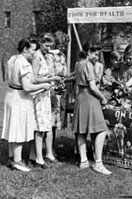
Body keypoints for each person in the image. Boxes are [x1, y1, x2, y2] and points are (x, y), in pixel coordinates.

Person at [1, 38, 51, 171]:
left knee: (12, 127)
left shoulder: (12, 59)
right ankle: (18, 161)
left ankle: (11, 158)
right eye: (33, 50)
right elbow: (27, 87)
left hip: (10, 95)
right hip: (20, 99)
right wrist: (44, 86)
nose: (34, 53)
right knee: (18, 129)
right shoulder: (24, 64)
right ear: (25, 49)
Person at [72, 42, 112, 175]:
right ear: (88, 51)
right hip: (90, 98)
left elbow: (74, 77)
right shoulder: (88, 65)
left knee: (82, 131)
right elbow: (93, 87)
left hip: (80, 98)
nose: (96, 57)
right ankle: (98, 163)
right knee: (101, 129)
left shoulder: (79, 63)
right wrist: (103, 98)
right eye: (95, 54)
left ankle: (83, 161)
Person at [30, 32, 62, 168]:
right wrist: (50, 79)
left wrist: (50, 76)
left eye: (50, 46)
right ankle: (39, 158)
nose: (48, 48)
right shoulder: (37, 56)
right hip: (39, 94)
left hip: (45, 94)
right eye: (46, 45)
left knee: (43, 126)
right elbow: (34, 78)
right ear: (41, 43)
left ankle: (35, 155)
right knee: (39, 127)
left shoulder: (43, 55)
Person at [46, 31, 69, 157]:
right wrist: (58, 77)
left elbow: (64, 72)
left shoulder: (62, 56)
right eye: (61, 44)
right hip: (52, 90)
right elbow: (49, 74)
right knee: (50, 121)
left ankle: (52, 148)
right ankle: (49, 151)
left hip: (61, 91)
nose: (63, 47)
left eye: (64, 45)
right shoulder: (49, 56)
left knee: (55, 122)